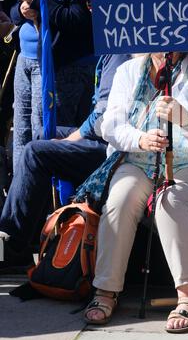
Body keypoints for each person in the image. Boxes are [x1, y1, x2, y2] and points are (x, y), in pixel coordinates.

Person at [80, 52, 188, 333]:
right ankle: (105, 290)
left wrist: (186, 119)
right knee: (120, 198)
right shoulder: (128, 71)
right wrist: (140, 139)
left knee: (169, 201)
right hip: (137, 161)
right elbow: (111, 126)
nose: (165, 47)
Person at [0, 53, 130, 270]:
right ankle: (27, 233)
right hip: (106, 136)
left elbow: (105, 119)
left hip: (115, 149)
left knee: (36, 152)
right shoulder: (112, 52)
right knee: (43, 134)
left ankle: (12, 244)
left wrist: (73, 138)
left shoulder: (120, 55)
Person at [10, 0, 97, 170]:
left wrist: (36, 0)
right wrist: (24, 9)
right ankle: (21, 206)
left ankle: (53, 208)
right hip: (26, 60)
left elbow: (78, 19)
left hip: (61, 66)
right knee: (22, 138)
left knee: (45, 140)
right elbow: (17, 7)